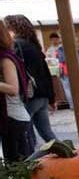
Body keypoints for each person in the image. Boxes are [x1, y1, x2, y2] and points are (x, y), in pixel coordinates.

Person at [5, 15, 57, 145]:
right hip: (42, 95)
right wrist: (51, 98)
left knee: (27, 137)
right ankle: (68, 154)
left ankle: (32, 162)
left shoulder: (17, 44)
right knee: (47, 133)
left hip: (30, 96)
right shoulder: (34, 45)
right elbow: (46, 73)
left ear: (12, 28)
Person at [0, 18, 33, 160]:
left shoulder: (5, 59)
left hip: (13, 119)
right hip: (9, 119)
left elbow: (13, 88)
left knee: (18, 166)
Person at [46, 32, 71, 106]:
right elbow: (49, 60)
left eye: (56, 39)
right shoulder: (49, 50)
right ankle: (66, 101)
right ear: (50, 40)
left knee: (67, 87)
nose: (55, 41)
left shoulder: (62, 47)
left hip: (64, 69)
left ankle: (71, 103)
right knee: (64, 87)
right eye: (53, 39)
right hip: (56, 70)